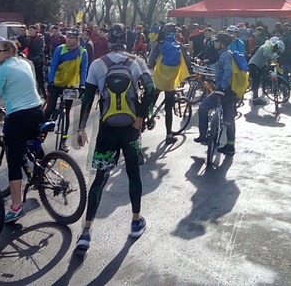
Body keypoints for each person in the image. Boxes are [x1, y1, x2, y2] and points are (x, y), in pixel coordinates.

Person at [74, 23, 155, 255]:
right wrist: (141, 116)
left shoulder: (98, 64)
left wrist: (81, 129)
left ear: (108, 41)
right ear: (127, 41)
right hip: (130, 128)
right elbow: (150, 89)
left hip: (106, 128)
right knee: (132, 173)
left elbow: (88, 98)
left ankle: (86, 232)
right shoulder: (136, 62)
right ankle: (135, 222)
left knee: (100, 177)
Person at [0, 40, 45, 222]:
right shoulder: (25, 63)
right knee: (33, 143)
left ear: (8, 52)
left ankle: (16, 207)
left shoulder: (3, 69)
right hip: (37, 109)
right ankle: (41, 174)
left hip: (19, 115)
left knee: (14, 161)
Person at [147, 22, 191, 145]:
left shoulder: (161, 45)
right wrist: (189, 74)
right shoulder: (179, 45)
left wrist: (151, 65)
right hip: (171, 80)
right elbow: (187, 61)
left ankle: (147, 116)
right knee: (168, 108)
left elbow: (151, 59)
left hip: (160, 76)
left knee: (151, 100)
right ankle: (169, 135)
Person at [194, 32, 237, 155]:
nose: (214, 43)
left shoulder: (224, 55)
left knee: (203, 107)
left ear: (222, 43)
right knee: (229, 118)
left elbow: (228, 71)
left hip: (224, 89)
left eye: (216, 41)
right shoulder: (230, 53)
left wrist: (222, 86)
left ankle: (203, 136)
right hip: (231, 90)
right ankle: (230, 145)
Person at [46, 28, 88, 152]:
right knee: (50, 108)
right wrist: (50, 81)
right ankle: (37, 133)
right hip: (57, 84)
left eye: (71, 38)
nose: (68, 40)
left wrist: (82, 85)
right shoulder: (60, 49)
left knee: (67, 113)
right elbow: (53, 65)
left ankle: (63, 141)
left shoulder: (82, 52)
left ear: (77, 40)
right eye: (68, 37)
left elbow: (83, 69)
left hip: (70, 86)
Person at [248, 37, 284, 106]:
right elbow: (266, 54)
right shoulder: (267, 46)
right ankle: (255, 99)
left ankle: (255, 96)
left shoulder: (269, 47)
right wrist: (273, 56)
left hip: (258, 65)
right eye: (277, 50)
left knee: (258, 81)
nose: (277, 52)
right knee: (256, 81)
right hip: (254, 64)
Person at [26, 24, 47, 96]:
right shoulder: (28, 38)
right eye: (29, 30)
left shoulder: (40, 38)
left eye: (31, 30)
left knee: (39, 78)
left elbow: (41, 50)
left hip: (38, 61)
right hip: (30, 60)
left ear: (36, 30)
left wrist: (35, 59)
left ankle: (44, 94)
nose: (30, 32)